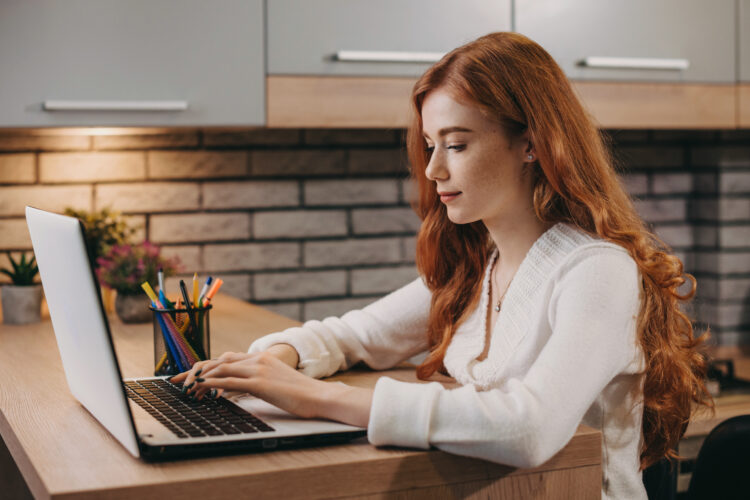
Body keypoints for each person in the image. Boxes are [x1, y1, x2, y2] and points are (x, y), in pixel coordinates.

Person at [170, 32, 712, 499]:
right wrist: (274, 361)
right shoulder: (480, 266)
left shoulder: (596, 270)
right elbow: (357, 336)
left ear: (531, 144)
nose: (431, 168)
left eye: (455, 144)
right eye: (430, 145)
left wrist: (318, 399)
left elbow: (531, 428)